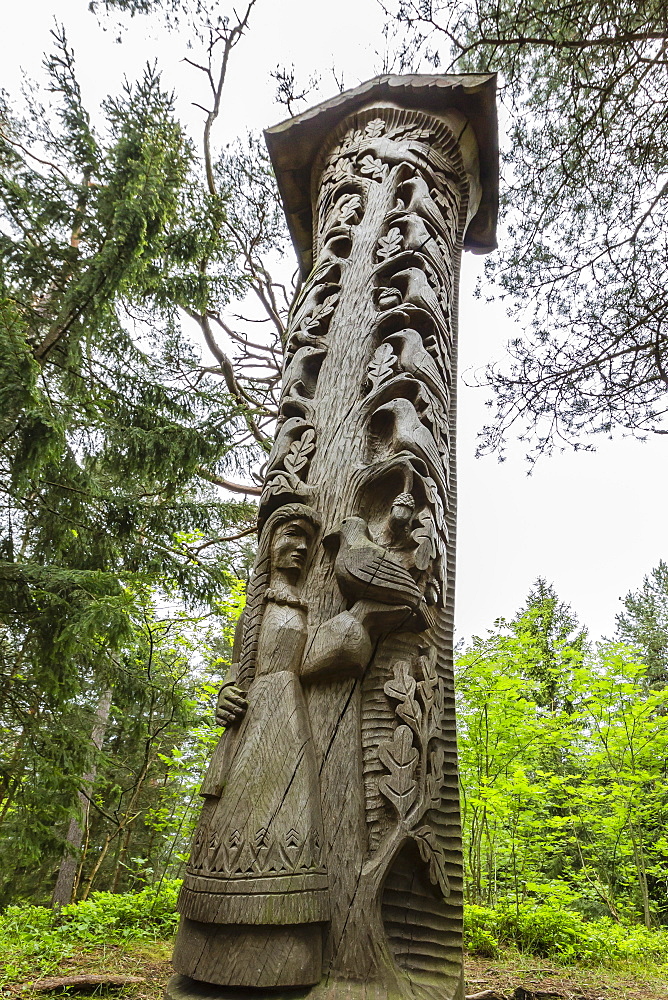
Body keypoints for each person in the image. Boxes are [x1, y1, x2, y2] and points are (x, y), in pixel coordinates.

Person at [172, 504, 329, 989]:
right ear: (269, 542)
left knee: (291, 825)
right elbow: (237, 668)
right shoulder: (256, 609)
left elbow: (313, 657)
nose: (300, 548)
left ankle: (287, 951)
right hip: (253, 725)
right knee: (233, 826)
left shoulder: (310, 604)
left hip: (290, 721)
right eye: (292, 535)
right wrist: (225, 695)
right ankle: (212, 946)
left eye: (307, 541)